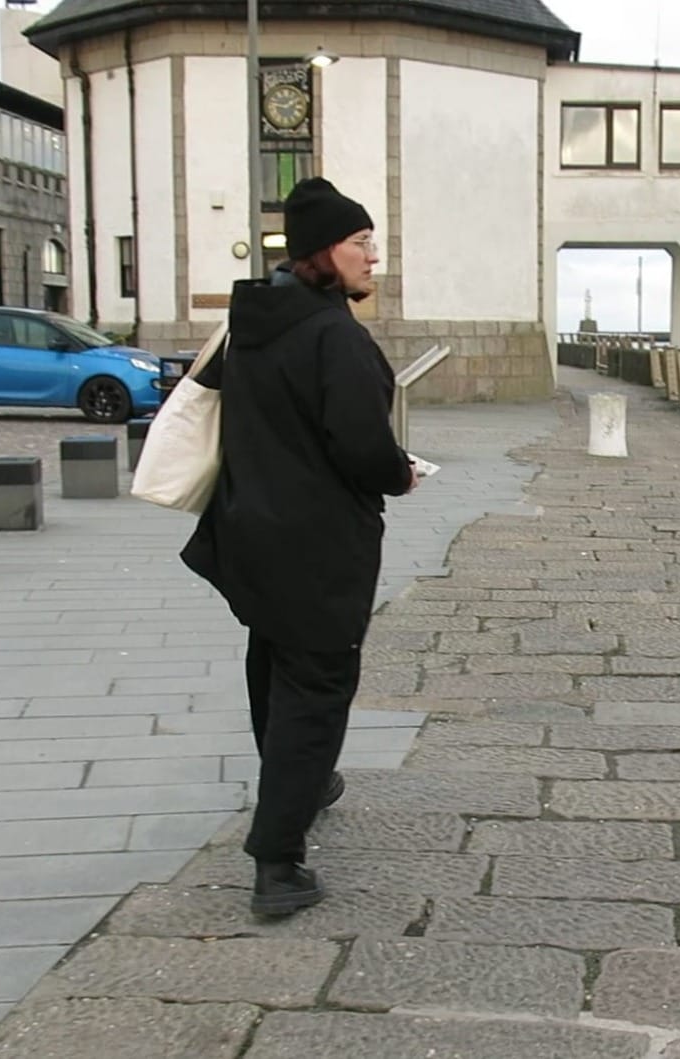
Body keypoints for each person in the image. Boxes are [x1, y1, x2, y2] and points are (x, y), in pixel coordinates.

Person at [181, 177, 418, 916]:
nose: (373, 257)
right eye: (360, 244)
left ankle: (306, 785)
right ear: (323, 252)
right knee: (316, 688)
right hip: (315, 544)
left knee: (273, 663)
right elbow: (360, 447)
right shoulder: (332, 336)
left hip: (250, 530)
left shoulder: (255, 320)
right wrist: (400, 473)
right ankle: (276, 863)